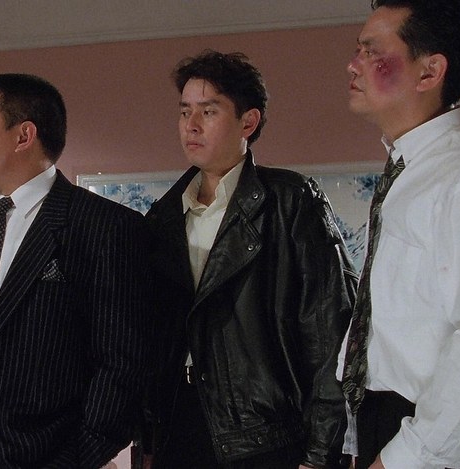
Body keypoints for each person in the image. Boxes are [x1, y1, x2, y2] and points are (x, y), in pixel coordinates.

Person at [0, 73, 152, 468]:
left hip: (47, 456)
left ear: (23, 136)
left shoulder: (105, 226)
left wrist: (79, 457)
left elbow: (122, 364)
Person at [139, 50, 357, 468]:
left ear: (248, 122)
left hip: (266, 434)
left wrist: (321, 453)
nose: (191, 125)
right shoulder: (163, 216)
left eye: (208, 111)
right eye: (184, 111)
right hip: (178, 425)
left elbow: (330, 330)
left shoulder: (290, 200)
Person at [337, 1, 460, 468]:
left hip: (434, 439)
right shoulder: (414, 168)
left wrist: (406, 456)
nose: (353, 65)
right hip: (394, 425)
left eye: (371, 51)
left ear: (430, 72)